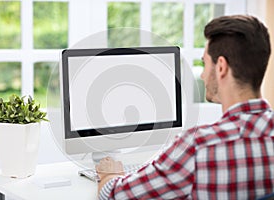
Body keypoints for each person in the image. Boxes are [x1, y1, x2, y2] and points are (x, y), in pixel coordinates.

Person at [96, 15, 274, 199]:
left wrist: (110, 174)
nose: (203, 75)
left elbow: (114, 196)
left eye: (205, 63)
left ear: (221, 67)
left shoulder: (198, 146)